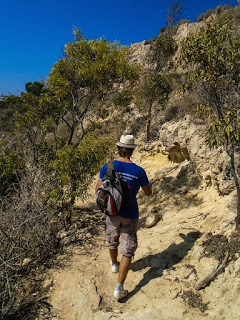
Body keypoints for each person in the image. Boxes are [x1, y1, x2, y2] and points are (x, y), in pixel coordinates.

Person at [95, 134, 152, 299]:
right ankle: (119, 288)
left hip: (112, 212)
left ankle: (114, 264)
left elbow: (98, 188)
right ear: (132, 150)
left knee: (112, 239)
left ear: (119, 149)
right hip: (130, 214)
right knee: (127, 250)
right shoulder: (139, 171)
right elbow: (148, 193)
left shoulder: (108, 166)